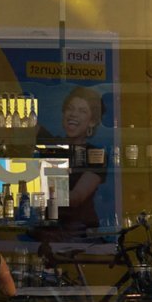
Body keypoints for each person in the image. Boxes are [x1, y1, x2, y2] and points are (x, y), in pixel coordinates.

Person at [55, 86, 110, 230]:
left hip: (79, 231)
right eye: (70, 108)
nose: (73, 114)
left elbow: (76, 197)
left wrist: (35, 194)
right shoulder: (50, 147)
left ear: (92, 121)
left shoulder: (96, 154)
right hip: (48, 229)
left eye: (82, 111)